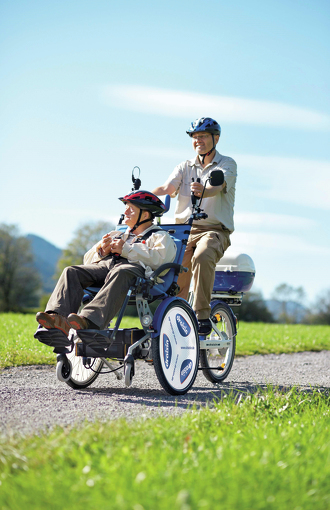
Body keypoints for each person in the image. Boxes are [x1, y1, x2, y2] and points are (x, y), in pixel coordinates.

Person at [36, 191, 177, 336]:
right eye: (126, 207)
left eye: (131, 209)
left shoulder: (160, 236)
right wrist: (101, 252)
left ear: (145, 215)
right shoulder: (116, 234)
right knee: (71, 271)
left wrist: (126, 249)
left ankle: (89, 320)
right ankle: (58, 318)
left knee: (121, 271)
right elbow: (87, 260)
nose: (125, 211)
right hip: (106, 268)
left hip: (135, 273)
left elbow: (159, 260)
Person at [153, 117, 237, 334]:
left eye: (203, 136)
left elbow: (217, 186)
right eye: (195, 137)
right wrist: (143, 196)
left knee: (202, 255)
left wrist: (203, 190)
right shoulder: (184, 167)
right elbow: (167, 186)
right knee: (172, 265)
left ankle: (201, 315)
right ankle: (175, 315)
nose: (198, 140)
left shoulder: (227, 164)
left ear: (215, 138)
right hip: (184, 231)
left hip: (214, 230)